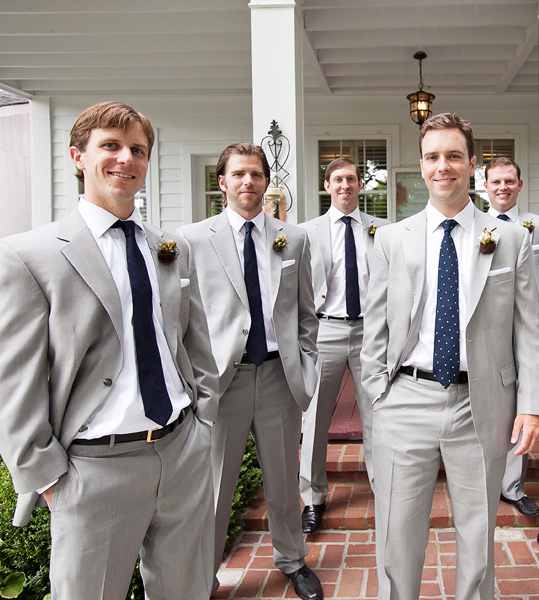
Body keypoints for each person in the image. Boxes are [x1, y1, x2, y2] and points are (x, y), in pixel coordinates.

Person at [0, 101, 220, 599]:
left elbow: (194, 343)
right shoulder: (30, 256)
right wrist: (49, 478)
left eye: (138, 150)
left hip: (181, 454)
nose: (126, 159)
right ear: (77, 157)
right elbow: (6, 385)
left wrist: (204, 424)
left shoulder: (171, 248)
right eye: (110, 145)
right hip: (94, 469)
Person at [362, 112, 539, 600]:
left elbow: (528, 330)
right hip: (405, 397)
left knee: (478, 532)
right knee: (397, 534)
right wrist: (378, 395)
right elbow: (375, 328)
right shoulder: (391, 239)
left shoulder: (511, 238)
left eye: (453, 156)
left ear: (472, 166)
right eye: (432, 157)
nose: (442, 166)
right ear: (421, 165)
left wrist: (531, 404)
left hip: (481, 404)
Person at [177, 143, 323, 600]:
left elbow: (305, 313)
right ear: (222, 182)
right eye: (238, 174)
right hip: (224, 380)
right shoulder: (192, 239)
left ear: (265, 181)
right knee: (215, 487)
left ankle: (292, 560)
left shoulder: (292, 238)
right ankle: (204, 574)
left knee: (282, 481)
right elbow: (183, 317)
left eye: (256, 175)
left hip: (280, 376)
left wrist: (307, 367)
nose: (248, 182)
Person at [298, 158, 389, 533]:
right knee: (316, 416)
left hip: (371, 331)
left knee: (378, 413)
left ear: (360, 186)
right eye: (338, 179)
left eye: (351, 179)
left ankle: (385, 491)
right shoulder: (306, 232)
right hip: (326, 330)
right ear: (327, 185)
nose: (345, 185)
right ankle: (313, 498)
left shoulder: (382, 230)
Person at [483, 156, 539, 518]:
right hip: (487, 334)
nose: (502, 187)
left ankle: (512, 486)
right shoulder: (474, 225)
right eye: (496, 182)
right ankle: (483, 481)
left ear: (519, 184)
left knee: (521, 405)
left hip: (528, 331)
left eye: (509, 181)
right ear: (485, 186)